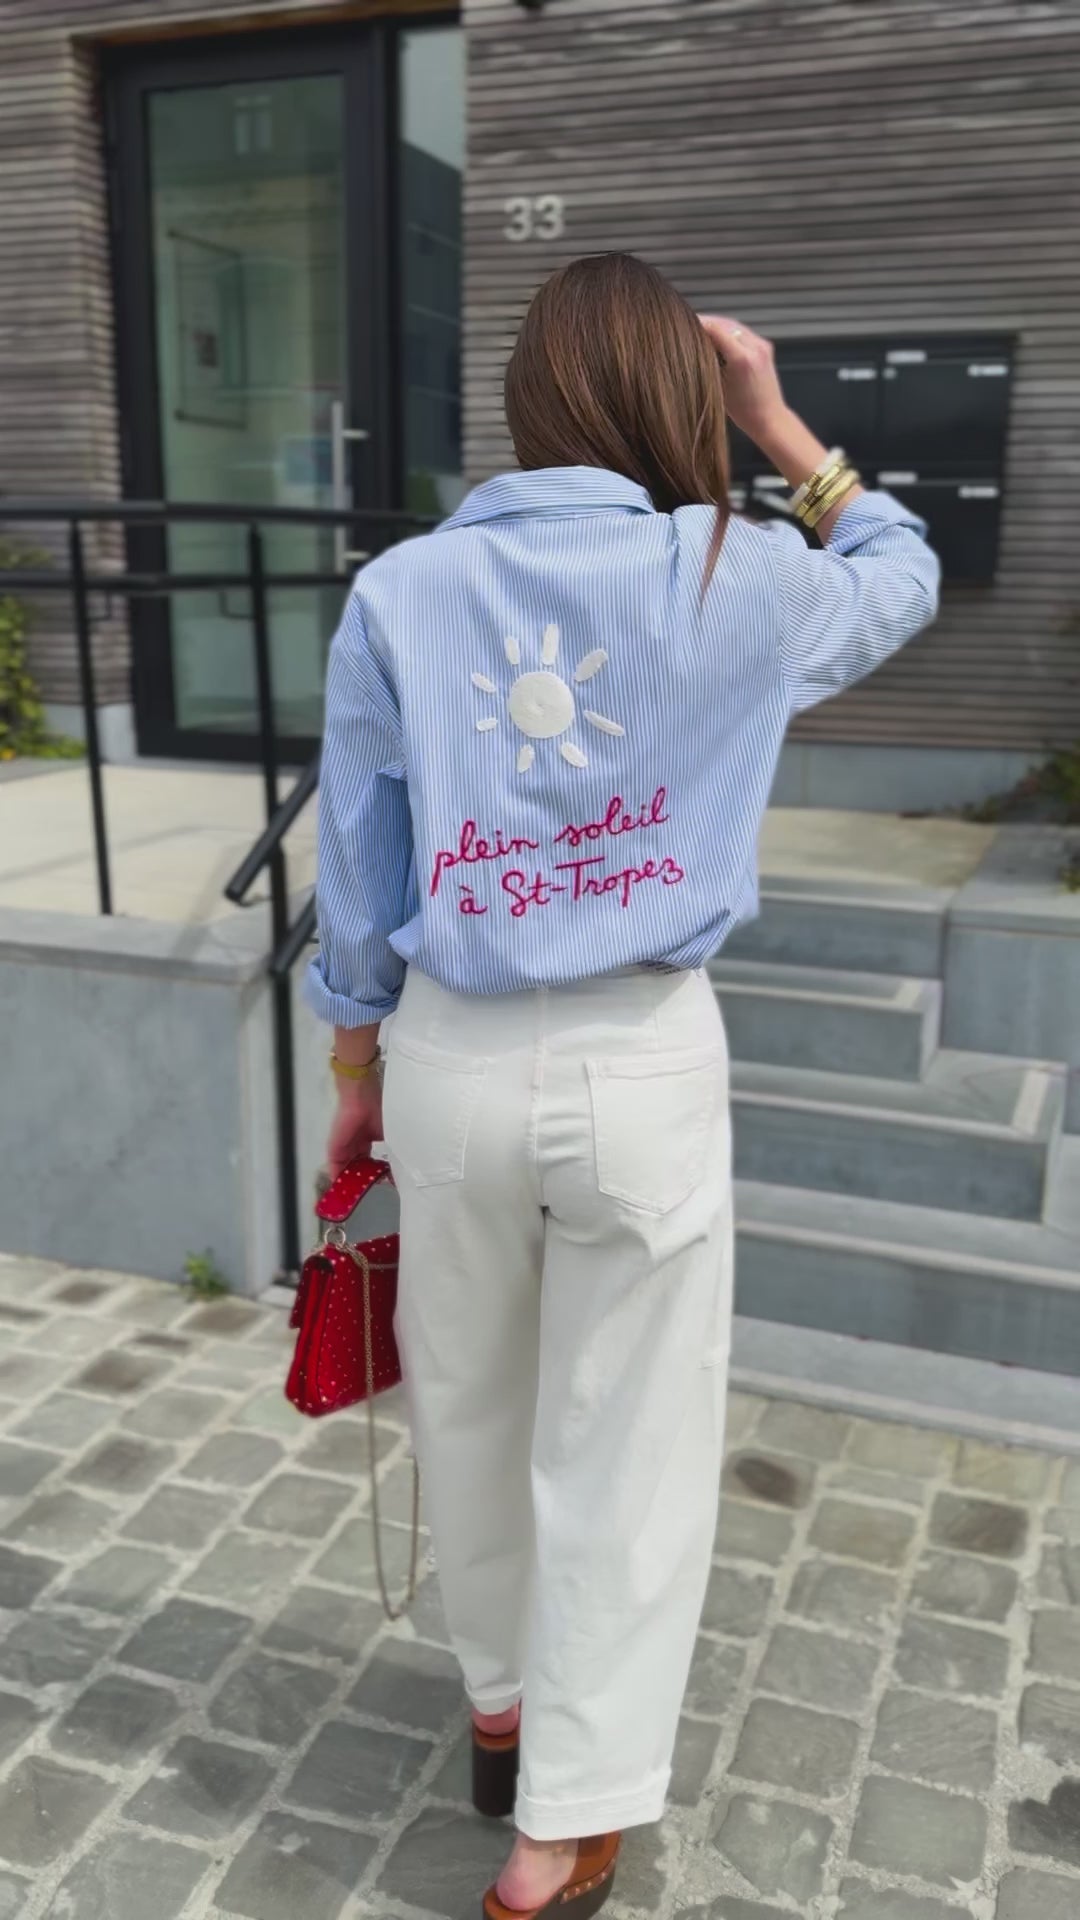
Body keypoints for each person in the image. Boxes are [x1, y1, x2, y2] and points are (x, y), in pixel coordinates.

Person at [305, 253, 939, 1919]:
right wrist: (776, 419)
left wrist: (356, 1067)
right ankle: (562, 1824)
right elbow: (902, 569)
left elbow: (360, 862)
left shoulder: (402, 592)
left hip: (449, 1048)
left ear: (526, 399)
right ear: (675, 397)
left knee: (468, 1400)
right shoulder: (740, 574)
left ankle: (503, 1707)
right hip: (643, 1055)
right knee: (626, 1440)